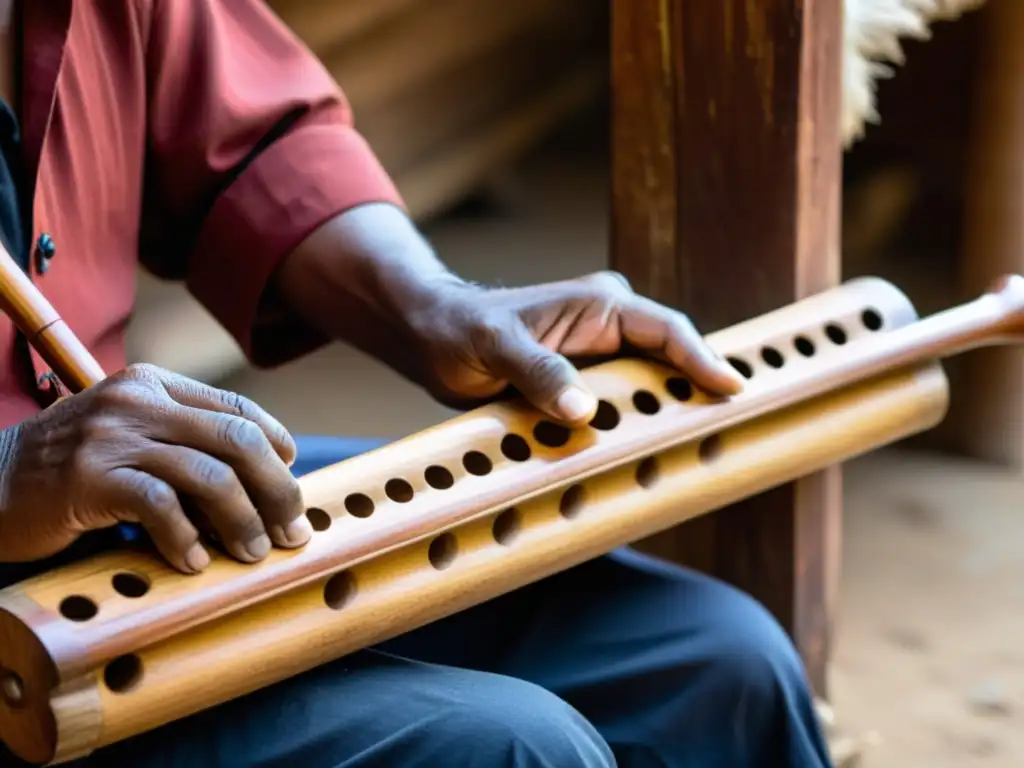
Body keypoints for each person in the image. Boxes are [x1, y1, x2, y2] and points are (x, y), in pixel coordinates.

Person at [0, 2, 833, 766]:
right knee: (509, 751)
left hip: (124, 506)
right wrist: (11, 476)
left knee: (711, 662)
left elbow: (248, 150)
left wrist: (434, 305)